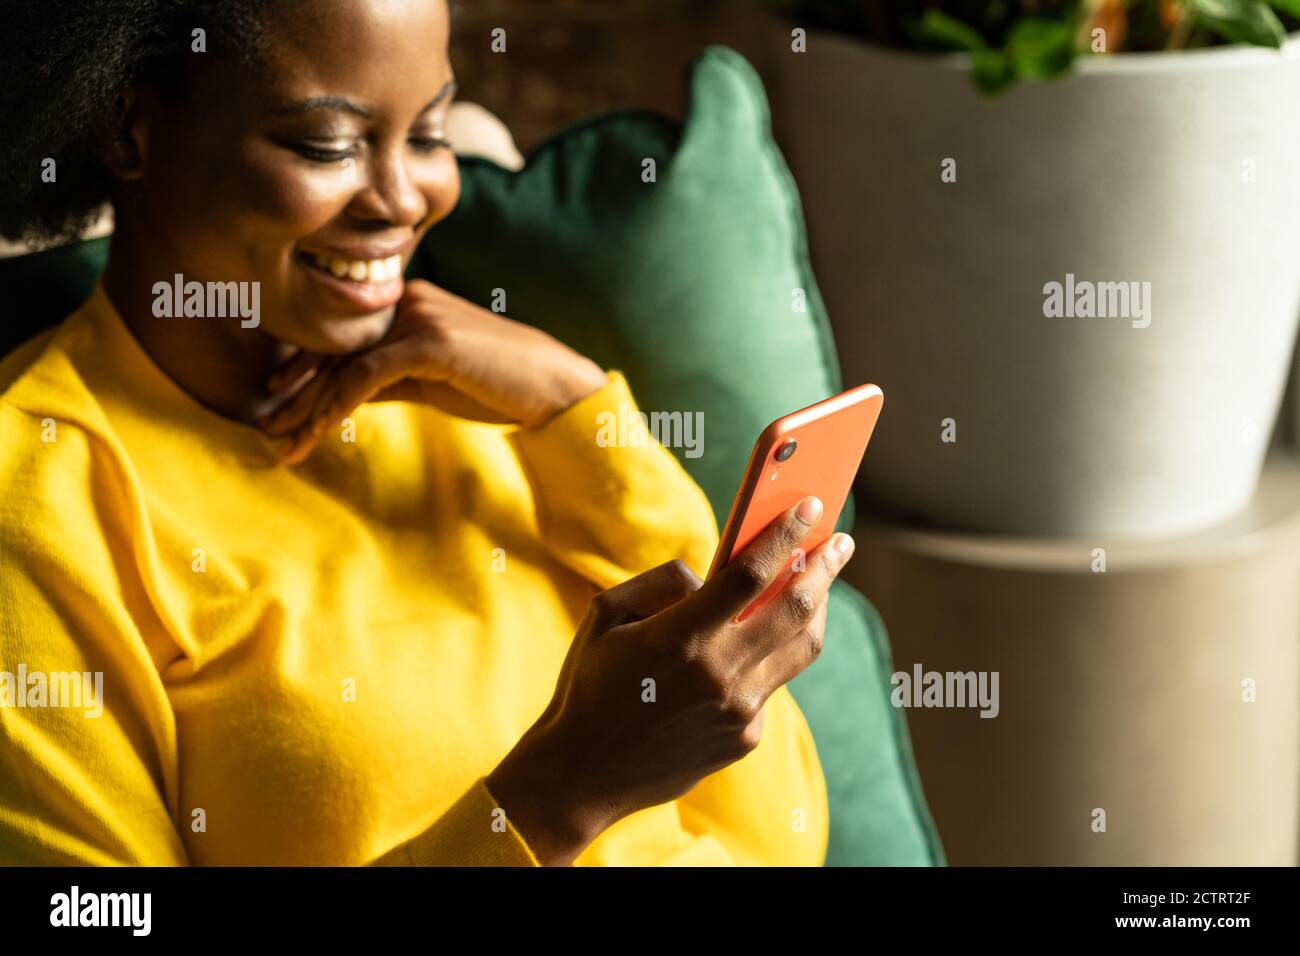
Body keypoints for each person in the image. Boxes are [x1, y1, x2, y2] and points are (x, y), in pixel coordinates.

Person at [0, 0, 853, 866]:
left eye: (430, 133)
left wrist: (578, 405)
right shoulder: (37, 503)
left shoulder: (491, 403)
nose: (406, 200)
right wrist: (559, 795)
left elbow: (773, 837)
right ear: (129, 126)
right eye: (328, 145)